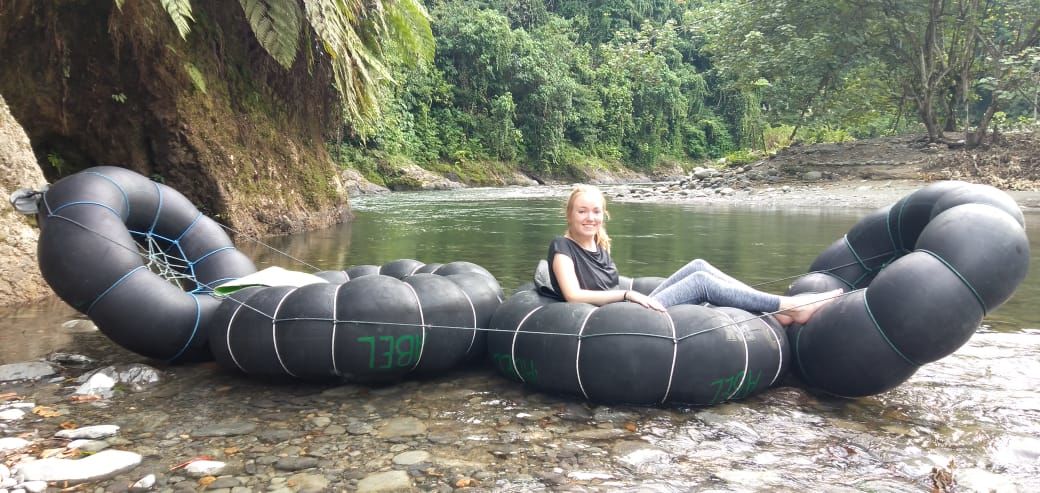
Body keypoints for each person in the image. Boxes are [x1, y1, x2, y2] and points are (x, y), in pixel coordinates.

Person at [547, 184, 841, 325]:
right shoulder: (562, 247)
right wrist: (626, 295)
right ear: (569, 215)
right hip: (613, 319)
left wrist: (627, 296)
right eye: (582, 211)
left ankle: (770, 308)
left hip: (624, 309)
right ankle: (789, 306)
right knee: (701, 281)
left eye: (596, 211)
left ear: (604, 214)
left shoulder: (599, 243)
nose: (590, 218)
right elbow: (574, 295)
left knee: (698, 265)